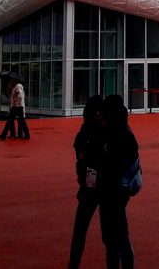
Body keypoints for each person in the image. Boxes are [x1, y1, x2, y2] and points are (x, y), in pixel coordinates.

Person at [97, 94, 139, 269]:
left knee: (119, 239)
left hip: (115, 192)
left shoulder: (121, 137)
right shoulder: (114, 133)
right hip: (111, 192)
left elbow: (115, 165)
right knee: (113, 240)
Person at [68, 95, 103, 269]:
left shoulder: (87, 128)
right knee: (112, 233)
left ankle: (73, 264)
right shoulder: (104, 128)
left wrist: (82, 163)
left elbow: (78, 146)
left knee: (80, 229)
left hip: (90, 180)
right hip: (103, 182)